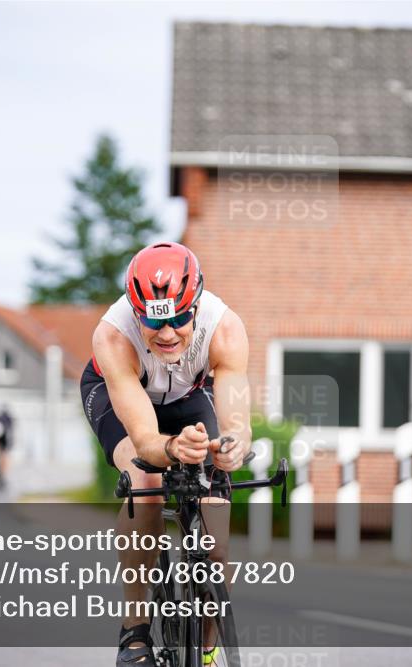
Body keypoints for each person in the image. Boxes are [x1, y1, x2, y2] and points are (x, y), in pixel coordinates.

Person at [81, 242, 251, 667]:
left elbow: (236, 424)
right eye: (154, 323)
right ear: (136, 314)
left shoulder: (225, 328)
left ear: (196, 305)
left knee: (216, 536)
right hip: (121, 393)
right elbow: (144, 440)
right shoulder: (112, 336)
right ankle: (135, 626)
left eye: (180, 318)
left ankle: (208, 647)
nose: (169, 333)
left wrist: (232, 448)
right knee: (146, 482)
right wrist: (171, 447)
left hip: (188, 393)